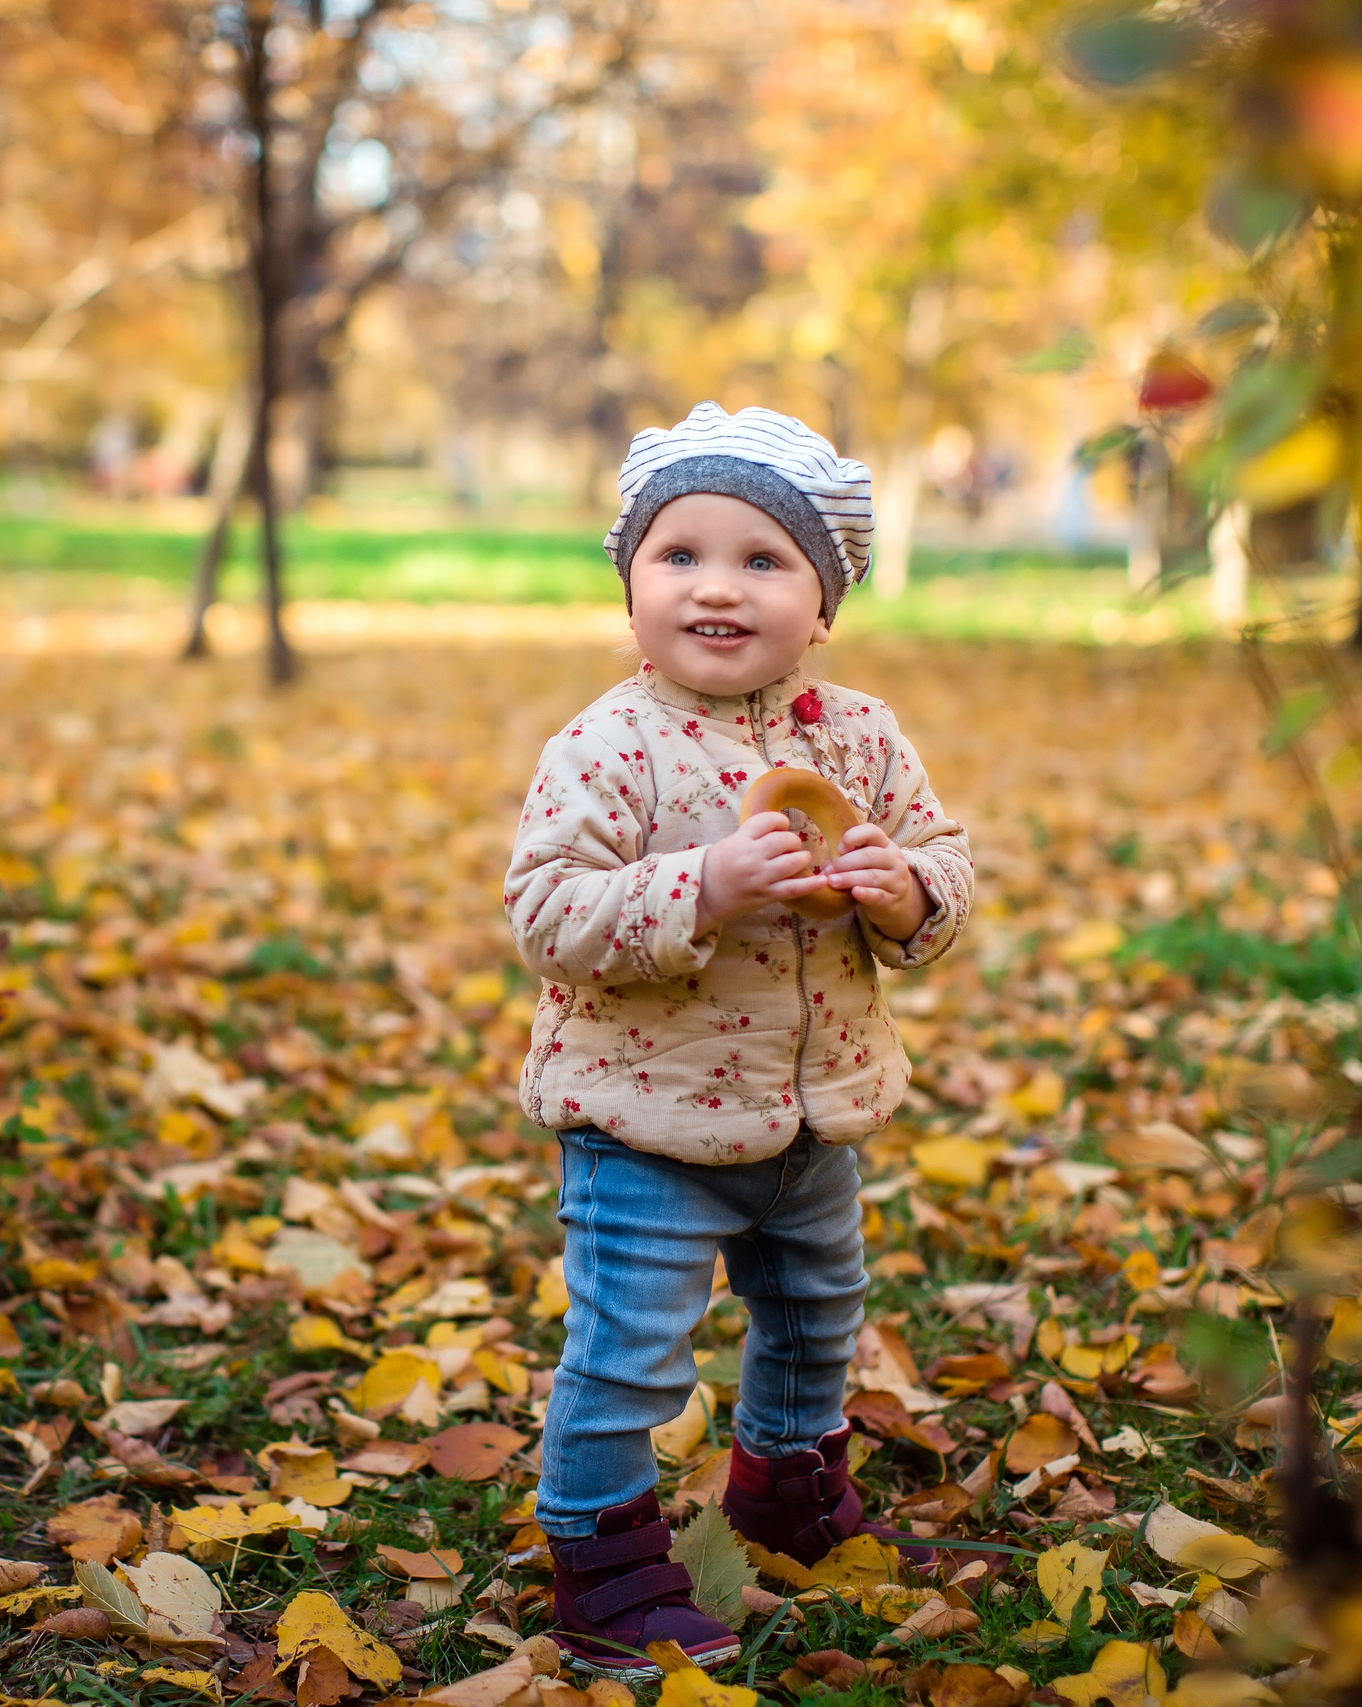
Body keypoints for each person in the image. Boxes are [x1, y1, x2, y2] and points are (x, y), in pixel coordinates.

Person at [503, 402, 974, 1676]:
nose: (717, 587)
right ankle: (601, 1560)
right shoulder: (607, 748)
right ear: (631, 583)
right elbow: (544, 912)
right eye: (680, 555)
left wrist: (906, 892)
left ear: (824, 604)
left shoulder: (860, 737)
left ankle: (783, 1490)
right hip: (644, 1125)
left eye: (763, 560)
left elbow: (945, 858)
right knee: (629, 1355)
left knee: (821, 1315)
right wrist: (699, 888)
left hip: (814, 1120)